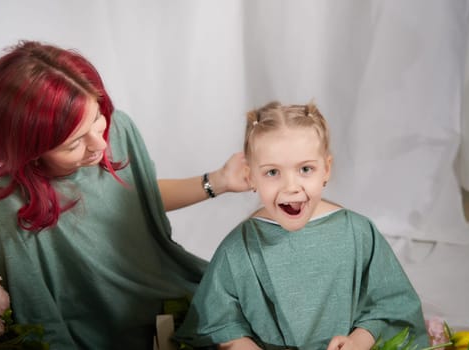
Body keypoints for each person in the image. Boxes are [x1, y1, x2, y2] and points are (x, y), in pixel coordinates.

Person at [0, 40, 249, 349]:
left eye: (96, 117)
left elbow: (136, 196)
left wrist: (219, 181)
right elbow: (35, 320)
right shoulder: (11, 207)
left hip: (168, 292)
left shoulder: (118, 128)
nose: (100, 144)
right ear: (29, 149)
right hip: (98, 334)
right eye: (74, 143)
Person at [174, 101, 429, 350]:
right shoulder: (239, 247)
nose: (291, 187)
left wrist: (357, 341)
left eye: (305, 169)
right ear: (251, 177)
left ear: (326, 170)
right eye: (272, 172)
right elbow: (218, 323)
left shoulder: (358, 233)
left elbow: (392, 304)